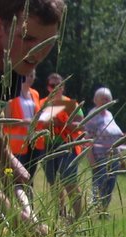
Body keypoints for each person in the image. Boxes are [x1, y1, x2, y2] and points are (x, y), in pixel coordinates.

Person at [0, 0, 64, 230]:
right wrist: (27, 227)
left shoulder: (13, 68)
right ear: (0, 27)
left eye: (48, 42)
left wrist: (7, 159)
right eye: (27, 38)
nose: (37, 52)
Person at [39, 72, 82, 216]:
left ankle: (78, 216)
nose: (56, 88)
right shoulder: (43, 103)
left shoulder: (71, 104)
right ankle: (60, 214)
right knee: (54, 183)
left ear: (63, 87)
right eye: (52, 85)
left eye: (59, 85)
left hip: (68, 146)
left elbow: (80, 125)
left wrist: (62, 123)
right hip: (48, 146)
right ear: (48, 87)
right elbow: (38, 123)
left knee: (70, 181)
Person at [83, 85, 121, 208]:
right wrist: (91, 160)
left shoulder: (109, 114)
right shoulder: (93, 115)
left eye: (108, 99)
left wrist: (119, 155)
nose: (106, 101)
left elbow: (115, 136)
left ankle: (104, 210)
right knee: (99, 185)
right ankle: (96, 209)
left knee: (110, 185)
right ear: (95, 100)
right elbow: (87, 139)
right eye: (103, 98)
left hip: (113, 157)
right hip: (99, 157)